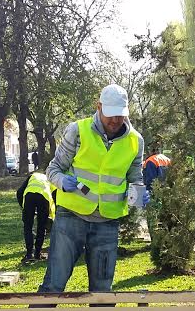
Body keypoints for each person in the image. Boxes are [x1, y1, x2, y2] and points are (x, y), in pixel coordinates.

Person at [39, 83, 148, 294]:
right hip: (71, 217)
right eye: (111, 115)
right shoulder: (77, 131)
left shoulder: (135, 141)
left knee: (102, 291)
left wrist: (139, 194)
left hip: (107, 222)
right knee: (53, 285)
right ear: (99, 107)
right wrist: (62, 181)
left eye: (120, 115)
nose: (115, 120)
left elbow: (135, 179)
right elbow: (53, 169)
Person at [16, 152, 55, 263]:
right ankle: (38, 253)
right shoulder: (51, 179)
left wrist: (23, 207)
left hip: (29, 197)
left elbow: (19, 192)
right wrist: (52, 215)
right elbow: (55, 197)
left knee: (28, 227)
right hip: (44, 198)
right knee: (41, 227)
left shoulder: (32, 176)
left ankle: (29, 254)